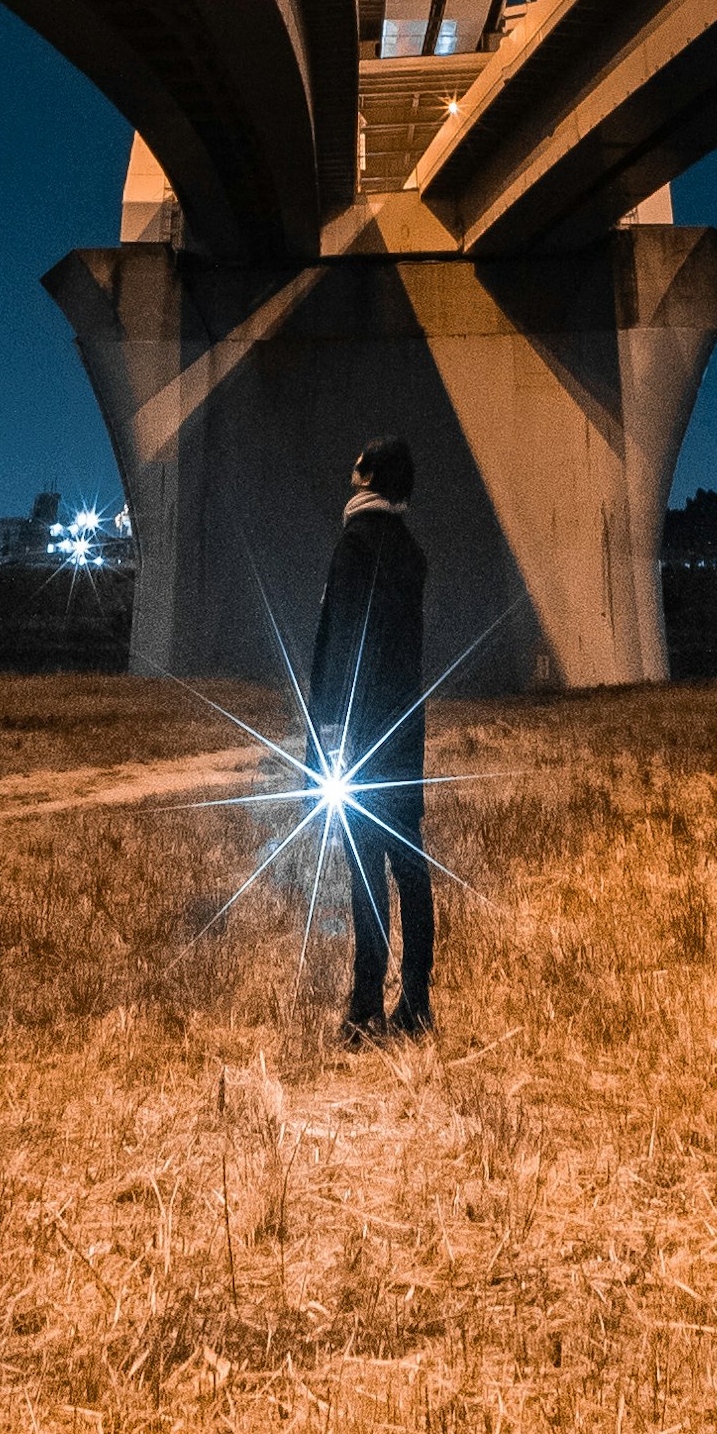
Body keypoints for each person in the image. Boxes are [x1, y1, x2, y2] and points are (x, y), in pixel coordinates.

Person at [308, 429, 432, 1044]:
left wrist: (329, 731)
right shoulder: (411, 552)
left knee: (365, 870)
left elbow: (339, 646)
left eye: (358, 461)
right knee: (410, 862)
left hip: (360, 730)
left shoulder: (354, 544)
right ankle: (416, 1001)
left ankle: (364, 1006)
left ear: (368, 475)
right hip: (406, 725)